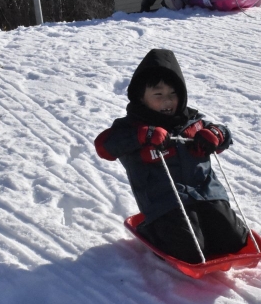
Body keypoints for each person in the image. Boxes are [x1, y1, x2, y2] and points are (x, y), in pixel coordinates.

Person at [94, 49, 249, 264]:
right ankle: (149, 229)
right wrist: (143, 135)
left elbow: (223, 134)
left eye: (173, 94)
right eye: (158, 95)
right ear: (141, 97)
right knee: (191, 253)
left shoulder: (192, 123)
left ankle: (206, 228)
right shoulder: (131, 128)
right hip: (165, 204)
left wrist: (215, 134)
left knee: (236, 241)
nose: (167, 101)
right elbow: (104, 147)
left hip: (206, 194)